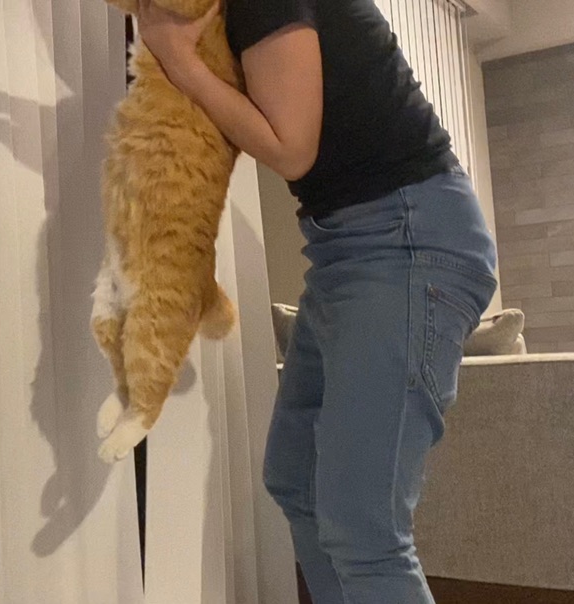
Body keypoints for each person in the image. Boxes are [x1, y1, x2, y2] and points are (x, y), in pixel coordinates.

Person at [135, 0, 498, 602]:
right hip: (352, 245)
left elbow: (291, 147)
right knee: (296, 481)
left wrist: (182, 65)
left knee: (364, 527)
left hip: (404, 238)